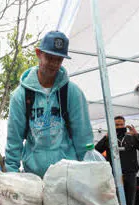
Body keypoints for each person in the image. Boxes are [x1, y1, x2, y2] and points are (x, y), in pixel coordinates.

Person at [5, 31, 94, 178]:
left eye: (59, 60)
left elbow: (83, 137)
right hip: (35, 175)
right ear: (38, 53)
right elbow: (14, 140)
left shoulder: (72, 92)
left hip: (67, 176)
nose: (53, 64)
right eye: (49, 57)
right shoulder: (20, 96)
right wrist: (11, 175)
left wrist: (87, 174)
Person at [96, 116, 139, 205]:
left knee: (130, 203)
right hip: (114, 174)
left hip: (130, 174)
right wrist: (106, 136)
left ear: (125, 125)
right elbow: (97, 149)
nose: (119, 127)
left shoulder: (131, 138)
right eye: (116, 125)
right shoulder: (109, 139)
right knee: (114, 202)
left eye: (121, 124)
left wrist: (136, 134)